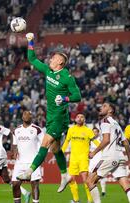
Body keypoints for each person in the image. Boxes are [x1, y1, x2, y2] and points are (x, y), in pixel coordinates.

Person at [17, 32, 81, 193]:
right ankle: (65, 175)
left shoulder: (67, 77)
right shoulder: (48, 71)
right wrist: (31, 41)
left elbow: (77, 96)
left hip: (60, 118)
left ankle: (29, 172)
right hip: (50, 116)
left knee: (45, 143)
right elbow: (32, 59)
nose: (50, 59)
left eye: (53, 58)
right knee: (55, 149)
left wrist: (65, 99)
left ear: (60, 62)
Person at [87, 103, 130, 203]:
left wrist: (93, 152)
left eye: (105, 106)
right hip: (120, 156)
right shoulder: (116, 124)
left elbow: (106, 140)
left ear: (110, 111)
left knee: (89, 181)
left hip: (109, 156)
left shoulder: (105, 121)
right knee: (126, 185)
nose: (101, 107)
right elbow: (126, 143)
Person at [61, 113, 99, 203]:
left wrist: (102, 149)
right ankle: (76, 200)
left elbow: (96, 142)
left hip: (83, 159)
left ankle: (90, 200)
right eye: (78, 117)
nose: (79, 118)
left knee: (85, 180)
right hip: (73, 158)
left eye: (82, 117)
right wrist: (61, 153)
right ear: (75, 119)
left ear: (84, 120)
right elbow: (66, 142)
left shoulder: (88, 131)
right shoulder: (71, 129)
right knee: (71, 179)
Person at [12, 111, 44, 203]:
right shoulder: (16, 130)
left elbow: (43, 144)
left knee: (34, 184)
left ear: (32, 117)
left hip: (33, 162)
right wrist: (14, 151)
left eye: (29, 114)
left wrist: (41, 156)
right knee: (15, 184)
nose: (27, 115)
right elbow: (14, 144)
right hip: (20, 162)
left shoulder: (37, 129)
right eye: (24, 114)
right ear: (22, 117)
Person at [89, 127, 107, 197]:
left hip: (100, 159)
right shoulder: (90, 140)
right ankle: (93, 191)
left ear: (98, 132)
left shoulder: (101, 140)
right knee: (90, 176)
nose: (94, 133)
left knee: (100, 175)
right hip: (92, 160)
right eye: (93, 132)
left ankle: (103, 191)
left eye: (95, 132)